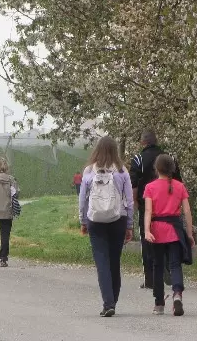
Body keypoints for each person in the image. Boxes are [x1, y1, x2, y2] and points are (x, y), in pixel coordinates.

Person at [78, 136, 134, 317]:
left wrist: (83, 221)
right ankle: (113, 302)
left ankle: (108, 302)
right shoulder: (122, 171)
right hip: (118, 219)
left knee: (102, 262)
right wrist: (130, 224)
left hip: (95, 220)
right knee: (114, 262)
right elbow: (130, 201)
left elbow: (82, 199)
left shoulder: (89, 171)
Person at [130, 129, 182, 289]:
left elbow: (134, 184)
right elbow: (179, 181)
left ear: (142, 142)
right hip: (169, 207)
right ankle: (169, 269)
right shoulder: (169, 158)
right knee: (169, 239)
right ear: (156, 140)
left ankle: (150, 279)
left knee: (147, 241)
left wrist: (136, 203)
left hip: (147, 204)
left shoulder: (138, 159)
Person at [143, 154, 194, 316]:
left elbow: (148, 211)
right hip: (174, 230)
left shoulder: (150, 187)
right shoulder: (180, 186)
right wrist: (190, 233)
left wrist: (146, 230)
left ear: (156, 169)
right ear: (172, 168)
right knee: (175, 265)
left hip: (157, 231)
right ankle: (177, 293)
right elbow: (187, 211)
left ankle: (159, 304)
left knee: (158, 266)